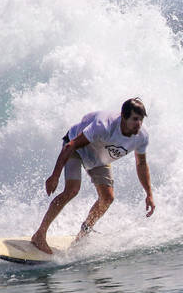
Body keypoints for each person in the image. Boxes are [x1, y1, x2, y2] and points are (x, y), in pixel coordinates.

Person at [30, 97, 155, 253]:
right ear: (123, 116)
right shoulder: (103, 126)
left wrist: (149, 194)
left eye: (141, 119)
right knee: (72, 190)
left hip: (99, 157)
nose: (139, 124)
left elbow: (141, 164)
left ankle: (82, 235)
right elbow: (71, 145)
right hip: (78, 148)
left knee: (107, 198)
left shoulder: (141, 136)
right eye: (135, 119)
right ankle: (39, 235)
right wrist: (55, 175)